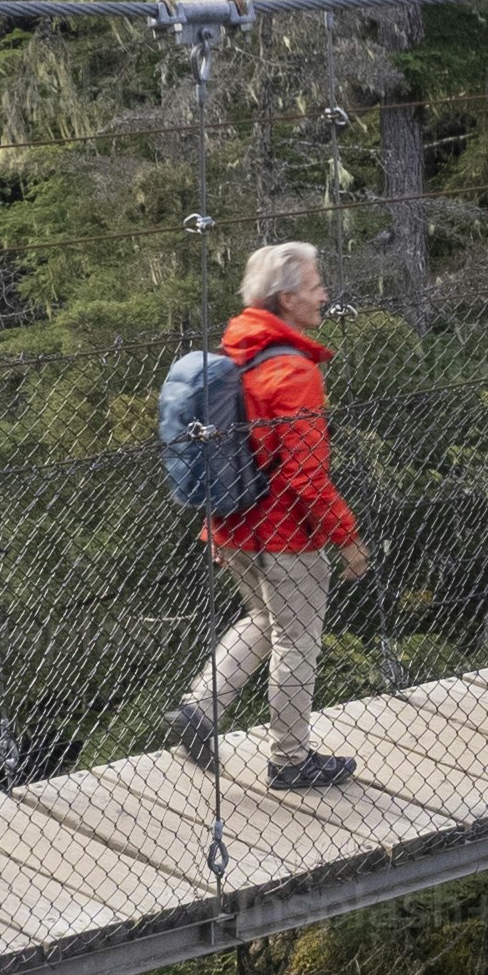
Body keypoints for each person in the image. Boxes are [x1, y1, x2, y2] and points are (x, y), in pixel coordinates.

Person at [174, 240, 369, 790]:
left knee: (266, 620)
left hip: (231, 525)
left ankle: (198, 710)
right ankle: (290, 760)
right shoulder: (292, 370)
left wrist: (214, 523)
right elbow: (304, 473)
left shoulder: (233, 353)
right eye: (314, 287)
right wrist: (347, 537)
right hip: (285, 536)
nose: (324, 295)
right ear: (286, 298)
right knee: (296, 639)